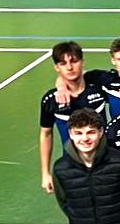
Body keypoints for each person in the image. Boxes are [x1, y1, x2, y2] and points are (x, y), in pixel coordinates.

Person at [39, 42, 111, 192]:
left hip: (105, 163)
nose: (70, 68)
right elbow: (46, 134)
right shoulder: (51, 100)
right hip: (72, 167)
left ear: (83, 62)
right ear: (56, 68)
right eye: (63, 63)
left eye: (74, 61)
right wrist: (45, 172)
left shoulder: (99, 88)